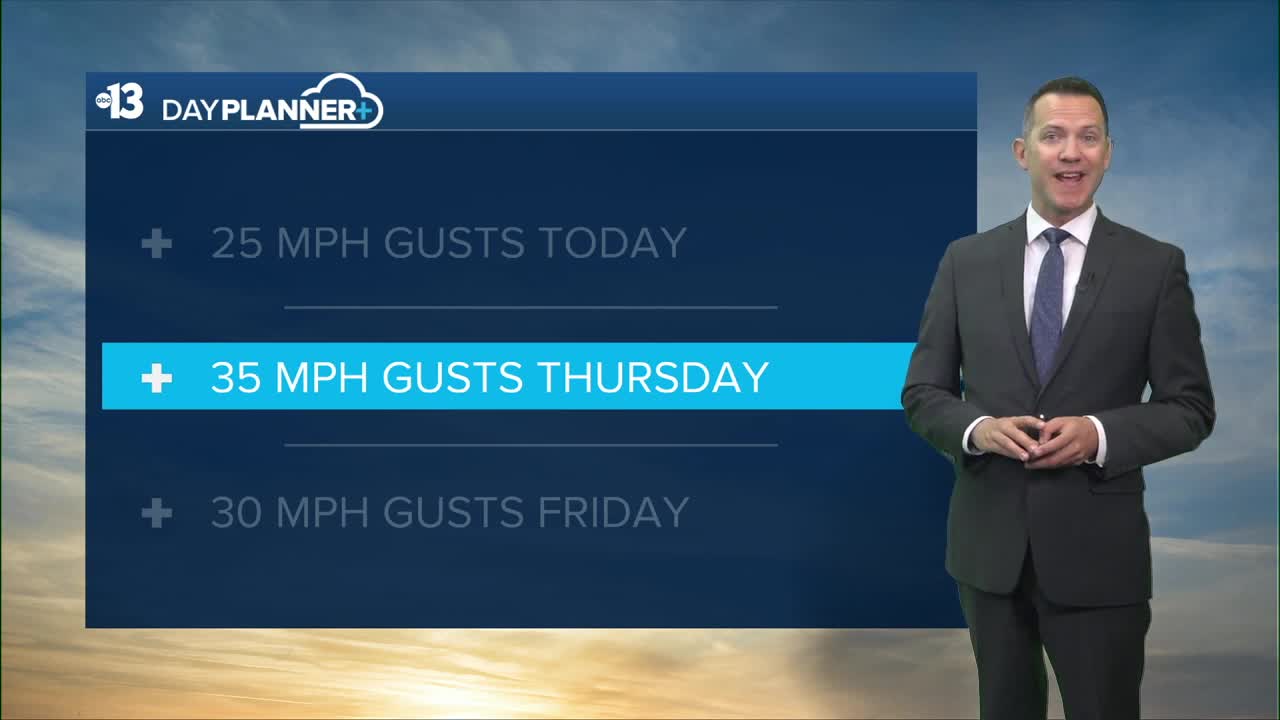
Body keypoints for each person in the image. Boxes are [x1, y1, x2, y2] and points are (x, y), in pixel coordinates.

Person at [901, 76, 1215, 720]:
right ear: (1023, 152)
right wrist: (978, 429)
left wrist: (1100, 435)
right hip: (989, 557)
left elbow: (1190, 408)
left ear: (1107, 153)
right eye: (1053, 136)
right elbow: (924, 392)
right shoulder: (965, 262)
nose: (1071, 152)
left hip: (1100, 560)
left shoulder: (1156, 267)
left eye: (1088, 137)